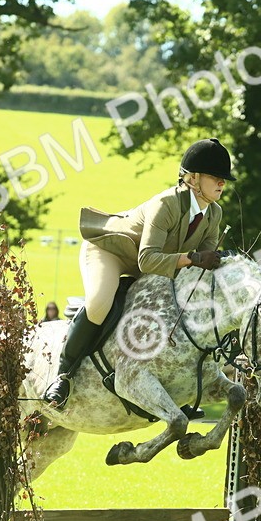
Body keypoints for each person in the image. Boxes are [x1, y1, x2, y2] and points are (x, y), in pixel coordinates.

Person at [42, 138, 233, 410]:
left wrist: (218, 262)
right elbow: (147, 259)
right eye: (215, 177)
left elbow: (199, 266)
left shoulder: (214, 213)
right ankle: (63, 376)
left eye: (224, 179)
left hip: (155, 265)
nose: (222, 183)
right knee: (99, 305)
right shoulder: (166, 204)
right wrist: (193, 258)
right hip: (111, 252)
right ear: (193, 178)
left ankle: (175, 389)